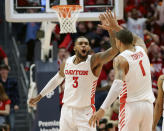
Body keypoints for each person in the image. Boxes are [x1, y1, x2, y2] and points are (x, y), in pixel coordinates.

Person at [29, 14, 119, 130]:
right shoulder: (67, 62)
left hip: (85, 111)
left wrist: (111, 30)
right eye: (81, 43)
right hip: (67, 110)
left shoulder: (94, 61)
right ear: (75, 48)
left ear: (89, 48)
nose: (84, 45)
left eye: (86, 44)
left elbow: (114, 50)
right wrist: (40, 95)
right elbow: (57, 79)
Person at [89, 10, 155, 131]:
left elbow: (117, 84)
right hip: (148, 106)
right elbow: (132, 37)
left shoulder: (121, 59)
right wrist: (115, 27)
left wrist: (102, 109)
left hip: (131, 107)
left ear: (118, 42)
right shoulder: (142, 48)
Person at [0, 64, 19, 131]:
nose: (3, 71)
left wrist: (16, 104)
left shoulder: (13, 81)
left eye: (5, 70)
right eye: (2, 70)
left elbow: (16, 94)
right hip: (2, 107)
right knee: (2, 125)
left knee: (12, 125)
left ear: (7, 71)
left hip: (11, 105)